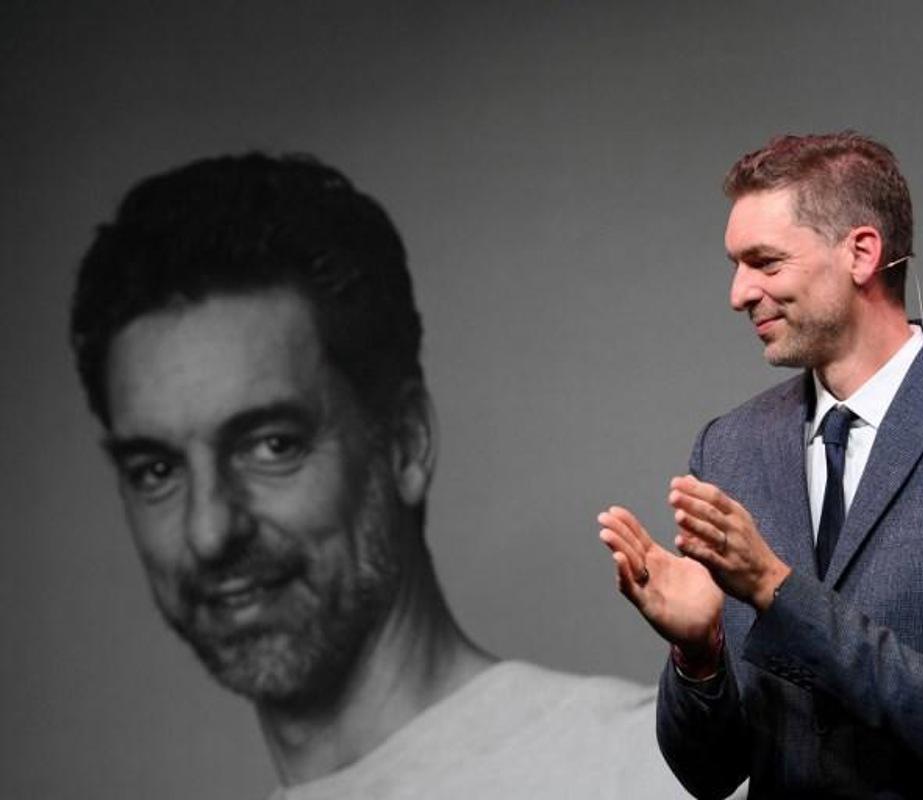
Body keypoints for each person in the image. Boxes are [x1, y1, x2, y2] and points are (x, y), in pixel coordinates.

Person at [70, 153, 693, 799]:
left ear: (405, 444)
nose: (208, 531)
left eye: (272, 445)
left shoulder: (654, 774)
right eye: (157, 470)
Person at [599, 132, 923, 798]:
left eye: (765, 262)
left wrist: (774, 589)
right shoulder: (731, 446)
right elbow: (710, 775)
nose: (739, 293)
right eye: (736, 265)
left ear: (861, 252)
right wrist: (699, 653)